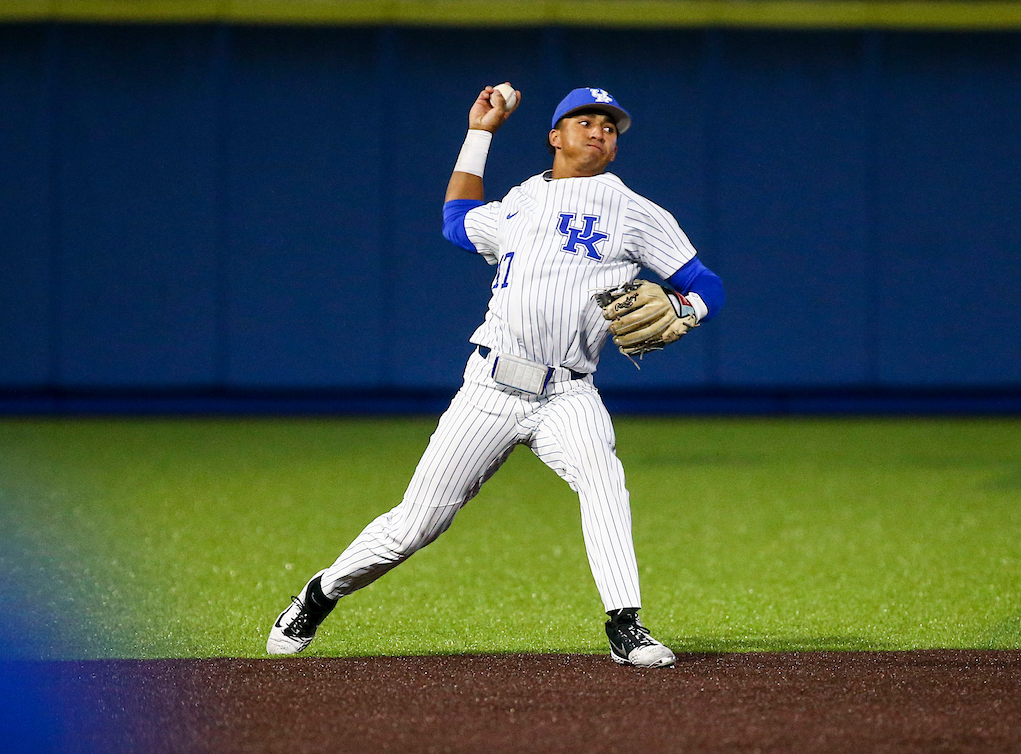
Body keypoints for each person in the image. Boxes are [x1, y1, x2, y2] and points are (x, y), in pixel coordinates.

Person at [266, 84, 726, 667]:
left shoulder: (634, 211)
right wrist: (479, 133)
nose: (599, 130)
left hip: (567, 392)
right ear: (554, 137)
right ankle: (320, 592)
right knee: (415, 525)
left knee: (603, 479)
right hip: (488, 388)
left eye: (609, 126)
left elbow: (707, 283)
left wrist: (687, 308)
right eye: (584, 120)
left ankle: (625, 624)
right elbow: (456, 221)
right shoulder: (520, 201)